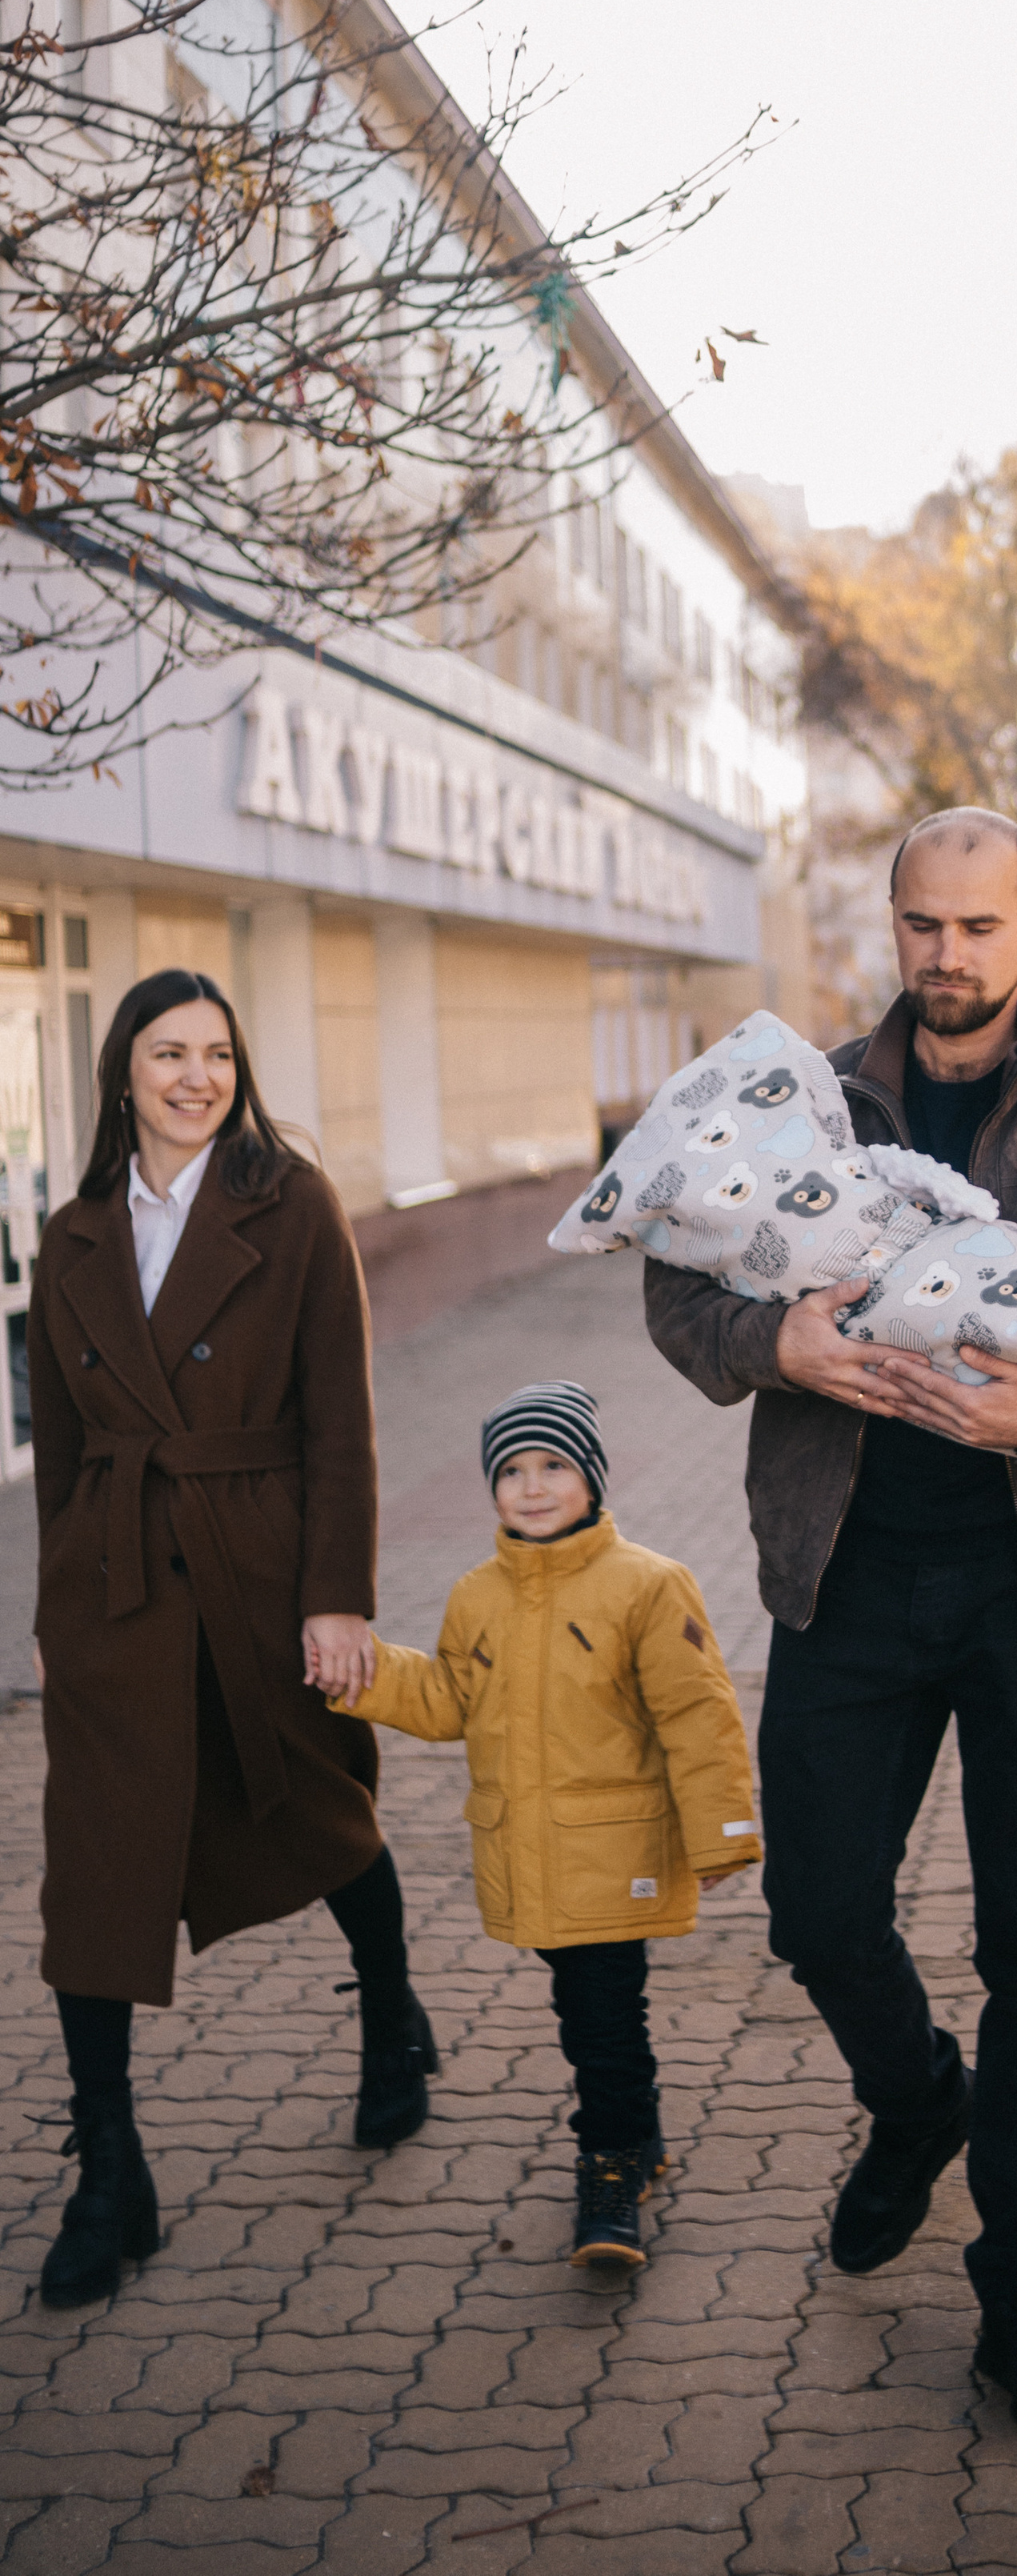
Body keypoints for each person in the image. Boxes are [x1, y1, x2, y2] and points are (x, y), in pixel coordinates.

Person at [644, 807, 1017, 2444]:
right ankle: (918, 2105)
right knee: (819, 1916)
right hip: (849, 1574)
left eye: (977, 927)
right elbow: (677, 1282)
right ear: (890, 928)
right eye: (920, 925)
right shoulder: (808, 1095)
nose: (946, 956)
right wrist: (783, 1351)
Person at [26, 969, 434, 2312]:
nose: (194, 1076)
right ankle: (111, 2174)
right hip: (118, 1592)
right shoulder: (72, 1232)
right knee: (94, 1870)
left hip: (259, 1572)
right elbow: (72, 1456)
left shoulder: (292, 1201)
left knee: (319, 1812)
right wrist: (54, 1621)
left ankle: (392, 2013)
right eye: (166, 1053)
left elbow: (342, 1420)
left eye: (215, 1053)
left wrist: (338, 1597)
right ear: (122, 1074)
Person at [328, 1382, 762, 2265]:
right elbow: (449, 1699)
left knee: (603, 2021)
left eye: (554, 1465)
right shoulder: (476, 1595)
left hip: (617, 1853)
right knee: (592, 2017)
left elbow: (697, 1714)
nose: (531, 1487)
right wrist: (362, 1674)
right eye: (512, 1471)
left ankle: (608, 2177)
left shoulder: (647, 1585)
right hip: (529, 1856)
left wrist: (719, 1835)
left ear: (593, 1479)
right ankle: (636, 2140)